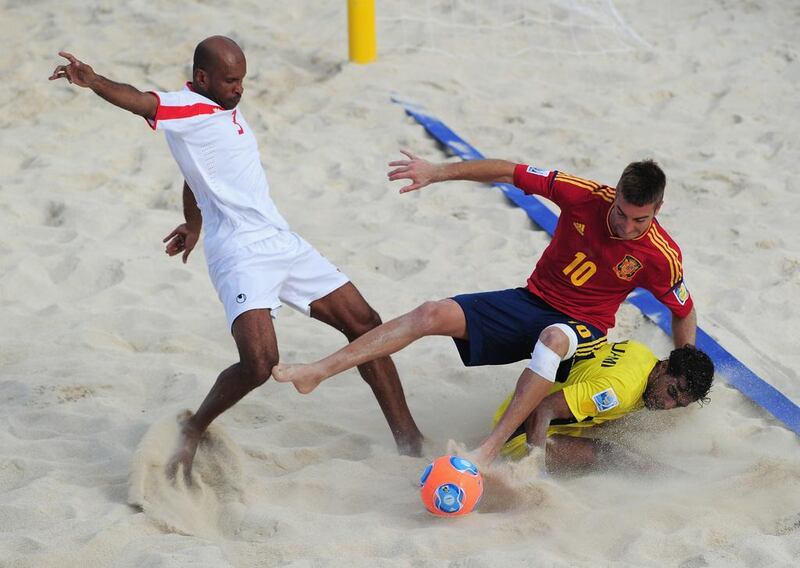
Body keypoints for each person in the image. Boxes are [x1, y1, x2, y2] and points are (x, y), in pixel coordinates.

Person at [48, 36, 424, 481]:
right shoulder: (186, 107)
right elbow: (140, 100)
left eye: (243, 79)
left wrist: (193, 223)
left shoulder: (223, 108)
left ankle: (409, 441)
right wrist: (94, 81)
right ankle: (192, 429)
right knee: (260, 364)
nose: (239, 89)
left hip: (281, 241)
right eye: (230, 80)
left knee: (365, 323)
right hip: (241, 254)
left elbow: (197, 175)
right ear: (202, 78)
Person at [274, 151, 698, 468]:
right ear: (615, 194)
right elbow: (508, 172)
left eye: (638, 220)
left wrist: (685, 365)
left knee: (552, 340)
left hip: (581, 328)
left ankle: (487, 449)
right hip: (530, 300)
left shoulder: (662, 255)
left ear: (657, 209)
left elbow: (683, 311)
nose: (625, 226)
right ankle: (319, 370)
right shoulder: (586, 195)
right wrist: (438, 172)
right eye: (620, 214)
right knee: (431, 313)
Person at [492, 340, 714, 473]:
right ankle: (678, 481)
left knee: (627, 434)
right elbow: (543, 409)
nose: (667, 405)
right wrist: (534, 471)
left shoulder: (641, 353)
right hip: (521, 434)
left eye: (678, 404)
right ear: (664, 367)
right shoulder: (619, 391)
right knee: (612, 456)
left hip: (513, 409)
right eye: (671, 392)